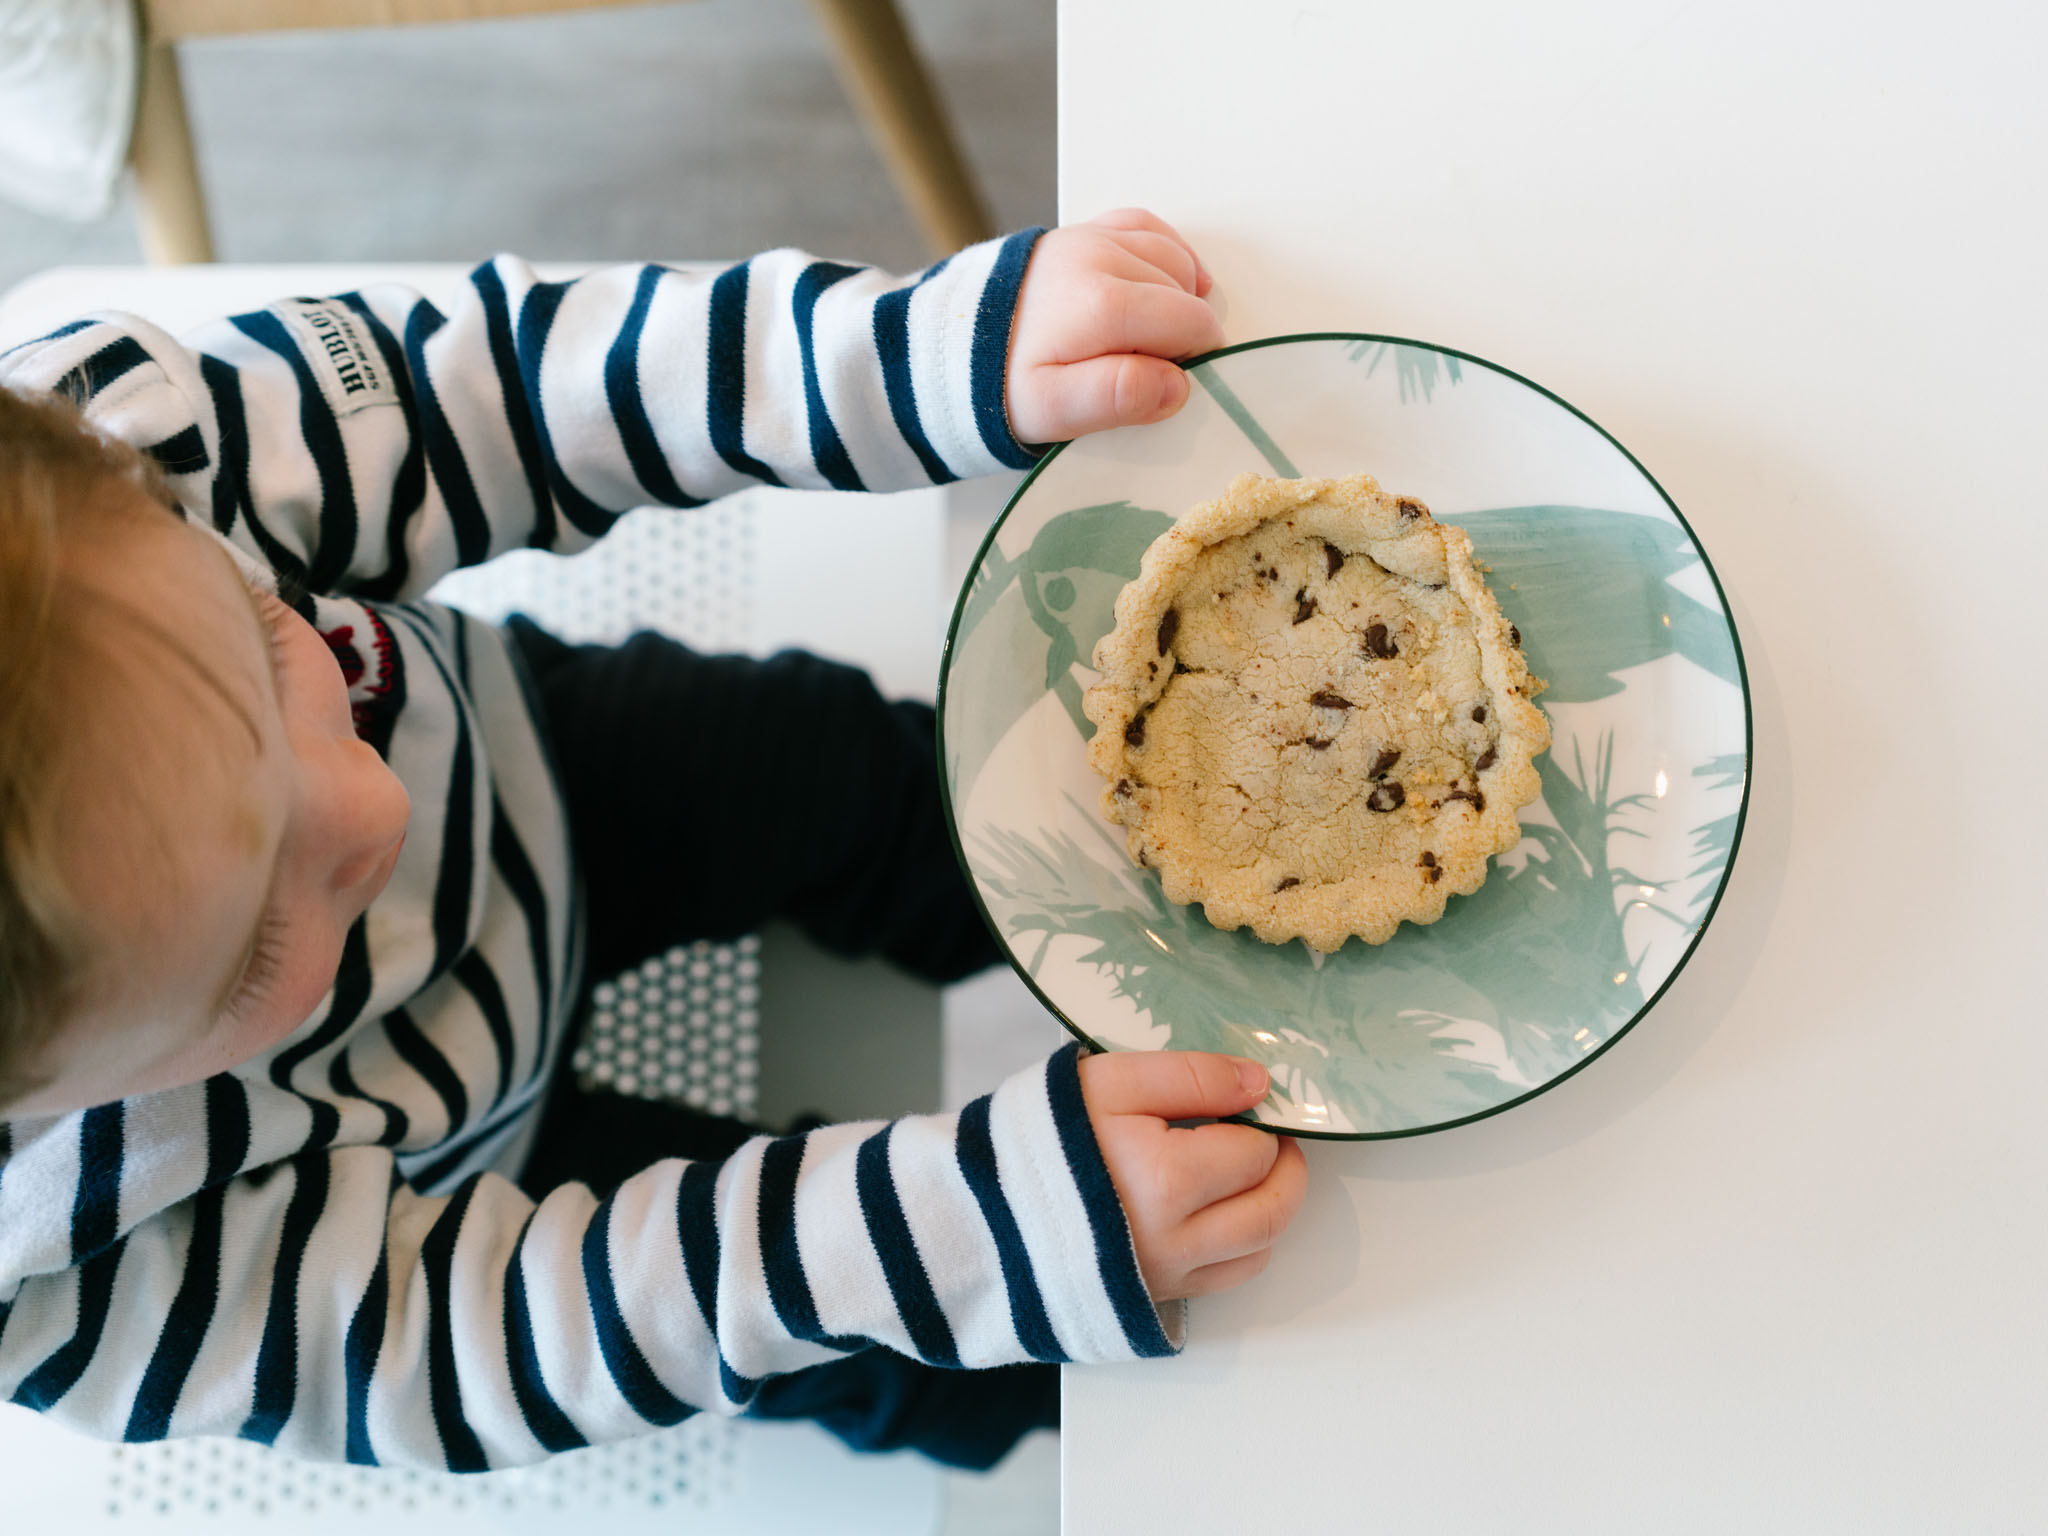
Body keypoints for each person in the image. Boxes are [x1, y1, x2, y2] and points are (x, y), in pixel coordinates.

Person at [0, 210, 1308, 1474]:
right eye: (246, 952)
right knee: (960, 1344)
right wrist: (980, 1235)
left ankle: (1198, 882)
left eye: (283, 649)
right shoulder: (55, 1272)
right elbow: (475, 1347)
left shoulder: (102, 450)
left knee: (880, 784)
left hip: (538, 762)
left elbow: (496, 391)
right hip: (464, 1173)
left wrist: (902, 357)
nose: (375, 813)